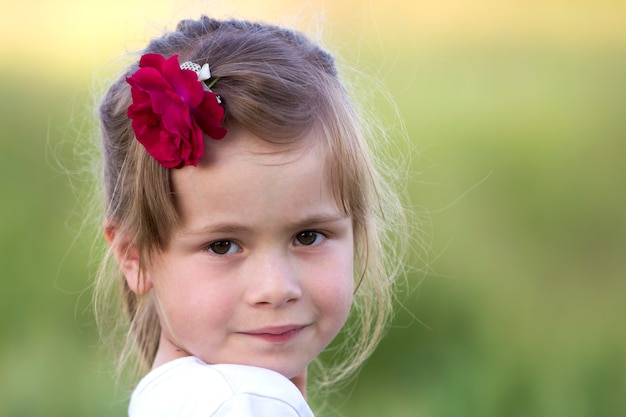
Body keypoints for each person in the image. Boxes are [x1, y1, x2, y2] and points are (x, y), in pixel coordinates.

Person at [95, 15, 407, 416]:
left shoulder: (173, 399)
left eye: (308, 236)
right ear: (134, 256)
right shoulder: (243, 404)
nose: (276, 289)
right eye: (223, 245)